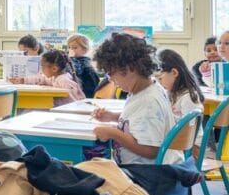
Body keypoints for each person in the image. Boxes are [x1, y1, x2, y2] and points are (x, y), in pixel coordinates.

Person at [91, 33, 181, 165]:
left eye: (111, 73)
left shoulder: (149, 101)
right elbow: (139, 120)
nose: (110, 79)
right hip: (142, 170)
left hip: (148, 175)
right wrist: (113, 116)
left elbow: (151, 150)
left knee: (88, 172)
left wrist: (113, 133)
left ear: (129, 69)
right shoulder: (144, 90)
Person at [9, 49, 85, 106]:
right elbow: (42, 79)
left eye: (42, 66)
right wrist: (23, 80)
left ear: (54, 69)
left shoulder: (64, 80)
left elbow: (73, 103)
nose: (41, 69)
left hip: (64, 113)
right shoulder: (55, 77)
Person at [157, 49, 204, 121]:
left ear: (174, 73)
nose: (158, 83)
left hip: (187, 132)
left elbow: (190, 130)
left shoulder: (187, 98)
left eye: (160, 78)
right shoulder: (169, 92)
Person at [66, 33, 101, 98]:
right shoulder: (78, 60)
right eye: (69, 47)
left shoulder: (84, 61)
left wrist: (71, 58)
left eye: (74, 47)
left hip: (86, 95)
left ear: (85, 49)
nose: (71, 50)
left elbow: (76, 71)